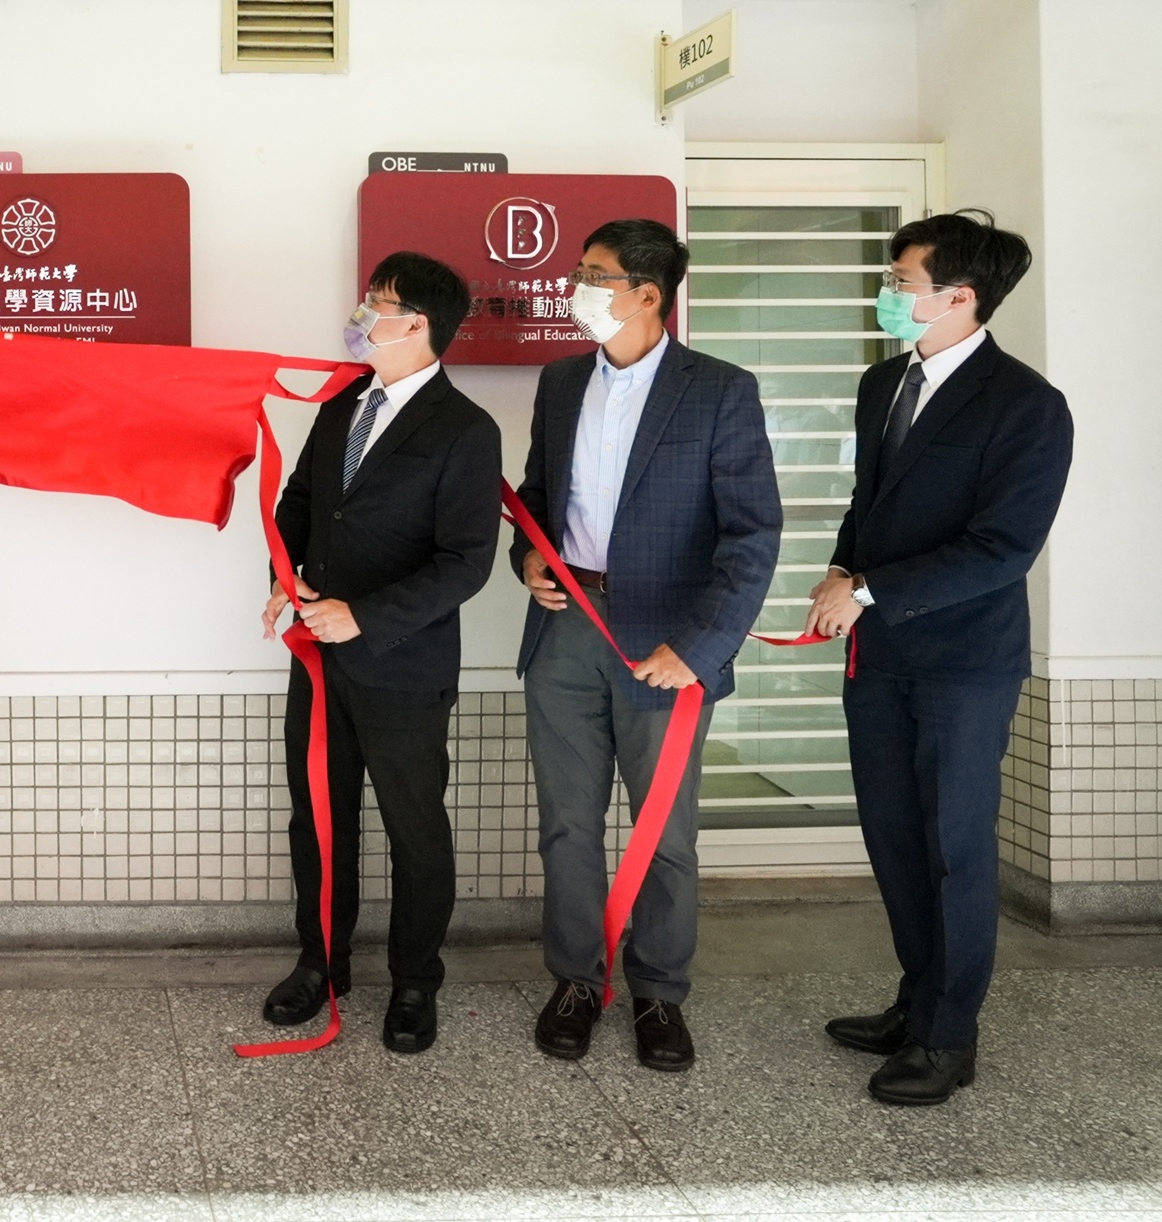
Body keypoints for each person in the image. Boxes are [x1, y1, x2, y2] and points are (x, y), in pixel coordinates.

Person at [807, 210, 1072, 1106]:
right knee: (894, 838)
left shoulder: (1027, 405)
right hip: (880, 655)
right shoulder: (883, 384)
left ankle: (949, 1037)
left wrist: (868, 590)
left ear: (960, 296)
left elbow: (1003, 548)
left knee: (954, 846)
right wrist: (841, 569)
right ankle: (917, 1002)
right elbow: (869, 503)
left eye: (901, 283)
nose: (888, 294)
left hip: (964, 663)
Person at [513, 219, 781, 1073]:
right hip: (566, 631)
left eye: (594, 275)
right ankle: (576, 981)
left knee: (664, 834)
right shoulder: (561, 382)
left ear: (648, 295)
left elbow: (752, 535)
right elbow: (538, 495)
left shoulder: (720, 390)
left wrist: (699, 648)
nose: (576, 288)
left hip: (665, 648)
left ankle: (659, 993)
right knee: (567, 825)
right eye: (579, 271)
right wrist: (529, 558)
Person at [259, 251, 504, 1054]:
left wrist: (362, 617)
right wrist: (283, 575)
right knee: (317, 821)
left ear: (418, 324)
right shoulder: (342, 404)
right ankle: (320, 965)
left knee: (413, 828)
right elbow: (300, 502)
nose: (362, 314)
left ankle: (414, 982)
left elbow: (465, 562)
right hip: (318, 663)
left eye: (378, 303)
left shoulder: (465, 429)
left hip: (403, 667)